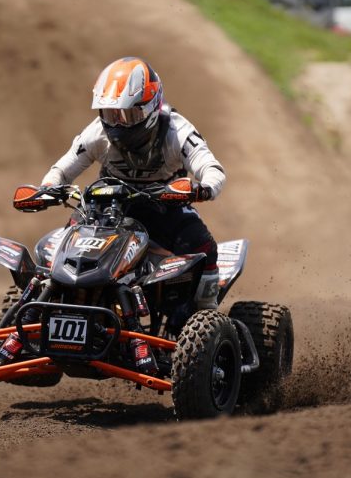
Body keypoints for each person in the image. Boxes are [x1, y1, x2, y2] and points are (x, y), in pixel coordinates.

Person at [41, 57, 226, 309]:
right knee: (58, 250)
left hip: (165, 207)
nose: (117, 123)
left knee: (204, 246)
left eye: (127, 114)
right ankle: (41, 302)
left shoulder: (176, 130)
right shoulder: (97, 132)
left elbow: (211, 168)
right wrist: (50, 187)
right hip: (104, 211)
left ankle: (208, 317)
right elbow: (61, 170)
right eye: (110, 114)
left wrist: (202, 188)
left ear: (150, 108)